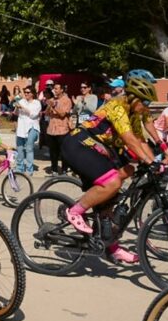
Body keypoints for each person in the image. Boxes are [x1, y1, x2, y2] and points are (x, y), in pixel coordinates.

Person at [62, 69, 159, 264]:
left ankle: (111, 247)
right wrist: (148, 161)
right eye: (145, 102)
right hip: (79, 143)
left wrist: (158, 161)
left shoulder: (133, 113)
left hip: (100, 149)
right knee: (112, 182)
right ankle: (74, 211)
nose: (147, 107)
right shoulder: (117, 106)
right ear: (133, 98)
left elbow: (140, 140)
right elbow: (129, 139)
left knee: (114, 193)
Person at [44, 82, 73, 175]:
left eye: (56, 88)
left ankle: (64, 170)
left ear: (61, 90)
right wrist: (49, 107)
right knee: (53, 152)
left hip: (62, 129)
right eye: (54, 89)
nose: (54, 90)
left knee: (63, 151)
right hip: (51, 129)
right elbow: (47, 113)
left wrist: (54, 106)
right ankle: (54, 170)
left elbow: (62, 114)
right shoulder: (52, 99)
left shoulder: (67, 100)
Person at [13, 87, 42, 175]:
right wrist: (17, 107)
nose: (26, 94)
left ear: (32, 93)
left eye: (28, 92)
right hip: (21, 127)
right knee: (20, 148)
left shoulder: (37, 103)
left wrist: (22, 107)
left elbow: (33, 115)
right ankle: (19, 167)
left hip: (32, 127)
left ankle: (29, 169)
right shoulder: (22, 101)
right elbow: (16, 113)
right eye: (25, 92)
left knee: (29, 149)